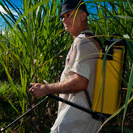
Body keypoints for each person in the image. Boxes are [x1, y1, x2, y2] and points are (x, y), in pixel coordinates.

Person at [29, 0, 102, 132]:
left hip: (76, 118)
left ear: (83, 15)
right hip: (86, 116)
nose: (64, 19)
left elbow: (80, 82)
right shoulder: (91, 40)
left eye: (69, 14)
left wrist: (46, 88)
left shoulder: (83, 42)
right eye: (62, 16)